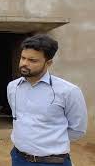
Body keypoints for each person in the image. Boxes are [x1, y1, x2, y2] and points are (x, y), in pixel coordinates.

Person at [7, 34, 87, 166]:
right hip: (18, 158)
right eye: (23, 58)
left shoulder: (68, 91)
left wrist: (50, 143)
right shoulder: (12, 87)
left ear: (48, 63)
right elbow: (18, 119)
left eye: (32, 60)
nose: (24, 63)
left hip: (52, 162)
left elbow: (77, 130)